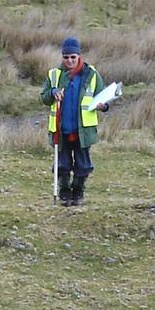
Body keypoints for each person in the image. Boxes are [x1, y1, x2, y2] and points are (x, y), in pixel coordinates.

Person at [41, 37, 105, 207]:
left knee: (83, 164)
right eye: (66, 57)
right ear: (62, 57)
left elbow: (103, 97)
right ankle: (64, 192)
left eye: (72, 57)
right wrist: (53, 92)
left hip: (83, 130)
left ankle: (78, 191)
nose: (69, 60)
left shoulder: (91, 74)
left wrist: (103, 105)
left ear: (79, 56)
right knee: (62, 164)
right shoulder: (54, 74)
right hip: (60, 129)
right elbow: (44, 98)